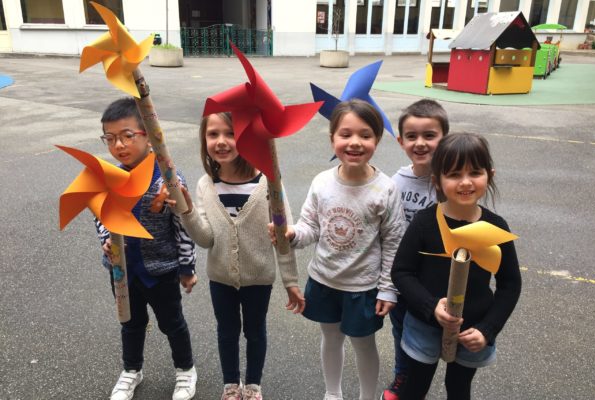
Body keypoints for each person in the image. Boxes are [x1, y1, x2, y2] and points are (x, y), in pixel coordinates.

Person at [271, 99, 406, 400]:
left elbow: (394, 241)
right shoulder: (322, 183)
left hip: (363, 286)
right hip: (324, 280)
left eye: (365, 135)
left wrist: (387, 289)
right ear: (332, 138)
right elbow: (310, 228)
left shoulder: (385, 189)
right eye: (345, 134)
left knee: (363, 344)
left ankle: (366, 396)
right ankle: (333, 393)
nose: (355, 142)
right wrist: (291, 234)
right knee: (330, 337)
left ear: (377, 140)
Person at [178, 111, 305, 400]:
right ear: (204, 139)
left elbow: (281, 238)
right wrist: (186, 211)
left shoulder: (270, 183)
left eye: (231, 134)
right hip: (220, 277)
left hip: (259, 277)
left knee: (256, 332)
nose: (221, 141)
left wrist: (291, 281)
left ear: (247, 138)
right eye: (213, 134)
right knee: (227, 332)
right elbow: (206, 238)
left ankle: (254, 385)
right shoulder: (205, 185)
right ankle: (231, 385)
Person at [391, 133, 522, 400]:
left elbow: (510, 283)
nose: (465, 182)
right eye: (453, 174)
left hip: (472, 329)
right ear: (436, 180)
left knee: (459, 388)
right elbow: (402, 272)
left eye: (475, 172)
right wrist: (430, 306)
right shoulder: (425, 222)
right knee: (414, 387)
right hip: (424, 323)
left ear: (490, 175)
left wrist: (488, 329)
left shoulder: (496, 227)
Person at [95, 97, 198, 400]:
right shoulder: (109, 178)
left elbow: (182, 226)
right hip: (122, 270)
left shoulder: (169, 179)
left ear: (148, 135)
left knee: (172, 323)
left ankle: (185, 369)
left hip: (161, 269)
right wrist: (104, 237)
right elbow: (100, 215)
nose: (119, 145)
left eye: (127, 136)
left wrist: (187, 267)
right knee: (130, 322)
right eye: (110, 138)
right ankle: (131, 369)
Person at [381, 99, 449, 400]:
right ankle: (402, 377)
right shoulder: (395, 182)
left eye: (429, 135)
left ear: (445, 138)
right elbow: (387, 230)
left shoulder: (452, 181)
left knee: (438, 334)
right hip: (403, 278)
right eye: (412, 136)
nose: (420, 143)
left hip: (439, 278)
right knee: (402, 332)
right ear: (400, 141)